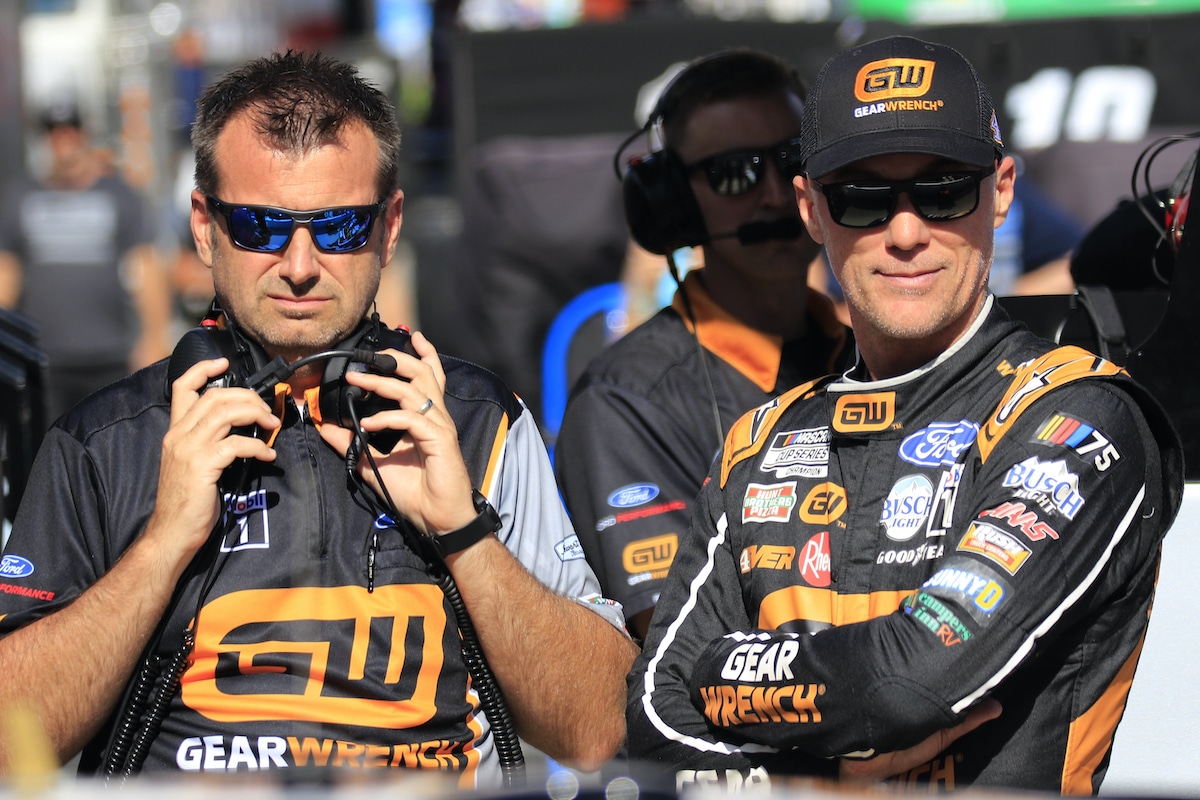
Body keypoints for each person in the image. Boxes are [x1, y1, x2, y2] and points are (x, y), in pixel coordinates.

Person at [0, 50, 636, 784]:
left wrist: (465, 535)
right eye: (260, 227)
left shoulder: (478, 424)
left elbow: (600, 732)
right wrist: (162, 543)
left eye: (337, 228)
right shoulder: (103, 443)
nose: (299, 265)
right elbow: (12, 747)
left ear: (389, 227)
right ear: (204, 227)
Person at [626, 35, 1183, 793]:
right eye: (861, 197)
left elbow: (909, 682)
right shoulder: (760, 441)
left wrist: (730, 671)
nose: (907, 231)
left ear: (1004, 190)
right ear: (810, 209)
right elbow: (656, 724)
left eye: (945, 190)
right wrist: (827, 778)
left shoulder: (1079, 415)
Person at [553, 49, 853, 641]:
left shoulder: (873, 358)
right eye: (734, 173)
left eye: (792, 160)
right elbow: (679, 641)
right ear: (674, 204)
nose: (773, 194)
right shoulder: (625, 404)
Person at [0, 101, 172, 422]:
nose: (65, 143)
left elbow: (147, 268)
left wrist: (153, 338)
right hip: (43, 358)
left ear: (84, 135)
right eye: (55, 134)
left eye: (71, 132)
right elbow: (6, 277)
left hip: (110, 355)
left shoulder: (118, 195)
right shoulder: (21, 197)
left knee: (109, 451)